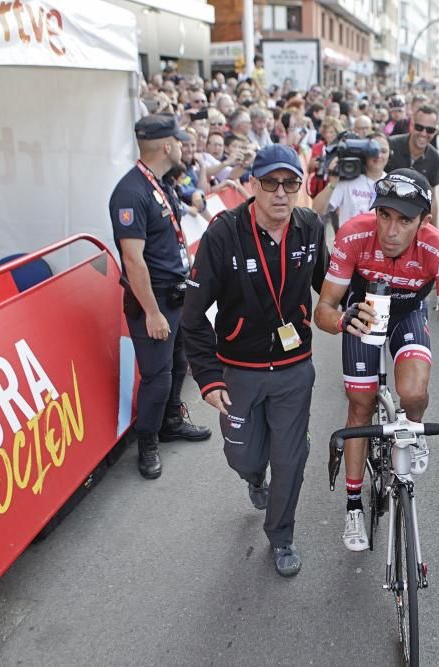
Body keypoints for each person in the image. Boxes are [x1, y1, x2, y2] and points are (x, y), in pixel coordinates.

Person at [314, 168, 439, 551]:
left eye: (405, 220)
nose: (391, 230)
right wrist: (343, 320)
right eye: (384, 215)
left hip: (408, 313)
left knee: (413, 392)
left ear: (424, 221)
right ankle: (352, 507)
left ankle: (413, 428)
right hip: (363, 313)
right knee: (360, 407)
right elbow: (323, 310)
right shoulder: (354, 233)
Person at [180, 144, 329, 577]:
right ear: (252, 185)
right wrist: (209, 378)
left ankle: (281, 534)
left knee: (291, 457)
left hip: (293, 369)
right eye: (270, 183)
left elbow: (330, 287)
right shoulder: (222, 234)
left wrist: (361, 303)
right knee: (243, 456)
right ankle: (252, 477)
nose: (281, 193)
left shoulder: (309, 227)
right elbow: (192, 318)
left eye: (290, 183)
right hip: (239, 371)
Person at [108, 115, 212, 480]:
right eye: (180, 141)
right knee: (158, 376)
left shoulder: (160, 184)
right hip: (153, 302)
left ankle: (170, 422)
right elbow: (133, 261)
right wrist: (152, 313)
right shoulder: (130, 192)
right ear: (166, 146)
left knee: (179, 364)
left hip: (176, 295)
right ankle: (148, 442)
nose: (185, 146)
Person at [311, 132, 389, 230]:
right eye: (374, 150)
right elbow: (317, 210)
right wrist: (332, 183)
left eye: (384, 151)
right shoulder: (348, 181)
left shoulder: (391, 184)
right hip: (348, 242)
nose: (378, 155)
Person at [386, 105, 439, 225]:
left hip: (412, 222)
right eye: (419, 127)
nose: (423, 133)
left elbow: (431, 197)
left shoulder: (434, 157)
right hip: (385, 215)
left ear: (436, 131)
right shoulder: (391, 145)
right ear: (411, 125)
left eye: (430, 130)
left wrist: (434, 231)